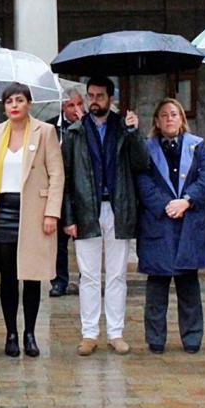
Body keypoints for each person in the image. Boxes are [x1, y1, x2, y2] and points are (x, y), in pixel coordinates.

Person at [62, 77, 149, 356]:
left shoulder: (124, 128)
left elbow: (142, 163)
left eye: (100, 96)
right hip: (86, 208)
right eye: (91, 96)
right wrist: (68, 217)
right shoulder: (75, 132)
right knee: (88, 275)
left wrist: (135, 132)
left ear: (110, 98)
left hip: (118, 207)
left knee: (116, 274)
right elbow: (65, 177)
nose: (95, 101)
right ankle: (89, 334)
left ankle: (116, 332)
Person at [0, 83, 65, 358]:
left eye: (19, 100)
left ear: (29, 103)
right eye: (9, 101)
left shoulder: (45, 131)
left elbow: (57, 174)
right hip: (3, 209)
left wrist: (52, 213)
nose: (14, 105)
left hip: (33, 209)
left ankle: (30, 332)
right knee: (8, 276)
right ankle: (11, 333)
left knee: (32, 275)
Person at [136, 98, 205, 354]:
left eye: (174, 114)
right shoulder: (146, 149)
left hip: (189, 221)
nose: (169, 119)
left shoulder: (197, 147)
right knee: (157, 284)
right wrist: (167, 205)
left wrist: (186, 201)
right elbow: (142, 181)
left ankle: (192, 338)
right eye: (164, 115)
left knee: (188, 282)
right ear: (157, 122)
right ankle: (155, 338)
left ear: (182, 119)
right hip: (158, 222)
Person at [48, 90, 84, 297]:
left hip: (80, 189)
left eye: (79, 104)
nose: (76, 110)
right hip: (57, 188)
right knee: (58, 241)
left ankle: (85, 279)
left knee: (83, 239)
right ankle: (59, 281)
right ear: (63, 107)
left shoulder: (88, 126)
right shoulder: (51, 127)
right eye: (71, 105)